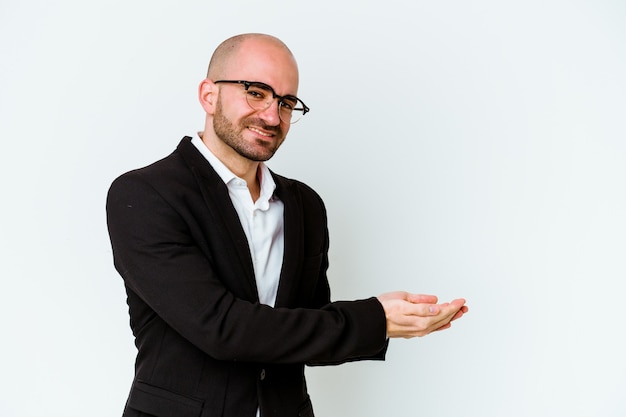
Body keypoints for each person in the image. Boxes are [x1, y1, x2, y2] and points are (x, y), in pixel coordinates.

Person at [106, 33, 468, 417]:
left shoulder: (304, 205)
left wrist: (395, 319)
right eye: (256, 92)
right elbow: (221, 328)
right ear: (209, 95)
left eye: (286, 102)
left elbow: (306, 331)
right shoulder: (145, 194)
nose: (272, 116)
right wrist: (374, 319)